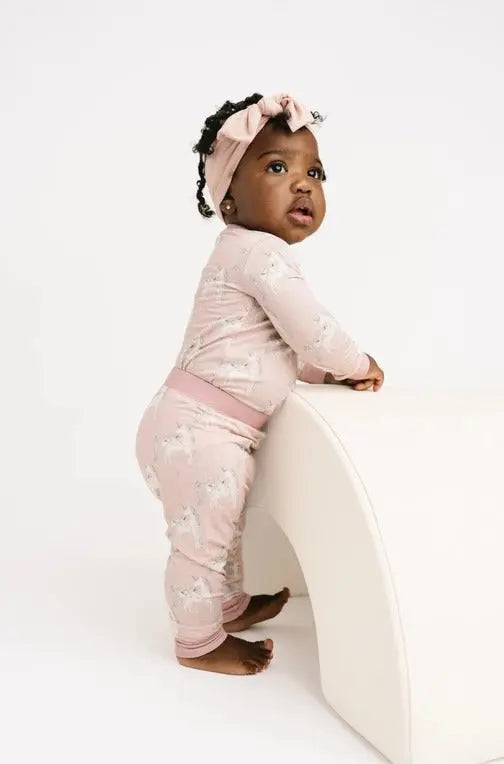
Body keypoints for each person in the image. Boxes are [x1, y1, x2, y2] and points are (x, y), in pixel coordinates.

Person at [135, 92, 385, 677]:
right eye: (277, 167)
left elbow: (278, 351)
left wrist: (321, 373)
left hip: (195, 424)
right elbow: (311, 329)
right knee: (203, 540)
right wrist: (354, 363)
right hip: (202, 431)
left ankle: (227, 605)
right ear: (228, 198)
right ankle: (197, 640)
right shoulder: (260, 255)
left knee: (224, 527)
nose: (302, 184)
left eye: (315, 173)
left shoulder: (242, 253)